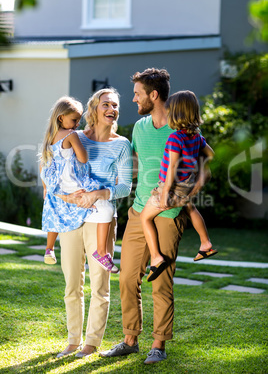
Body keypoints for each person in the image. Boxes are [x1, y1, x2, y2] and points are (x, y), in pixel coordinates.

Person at [100, 68, 206, 364]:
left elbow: (207, 155)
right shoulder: (140, 127)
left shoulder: (182, 129)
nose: (133, 99)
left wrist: (193, 190)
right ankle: (130, 339)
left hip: (169, 213)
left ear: (154, 95)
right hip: (140, 212)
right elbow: (132, 163)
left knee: (161, 283)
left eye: (137, 94)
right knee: (128, 278)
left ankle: (158, 344)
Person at [47, 88, 132, 359]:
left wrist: (99, 193)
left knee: (99, 284)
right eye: (106, 104)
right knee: (72, 283)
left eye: (115, 105)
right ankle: (73, 340)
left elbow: (126, 187)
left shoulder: (122, 144)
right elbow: (50, 173)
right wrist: (66, 196)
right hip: (70, 217)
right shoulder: (73, 136)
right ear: (94, 109)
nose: (112, 109)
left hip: (102, 218)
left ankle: (91, 343)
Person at [140, 90, 217, 282]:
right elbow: (211, 155)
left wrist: (164, 193)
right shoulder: (196, 136)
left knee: (145, 218)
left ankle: (156, 258)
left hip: (173, 187)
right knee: (190, 207)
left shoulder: (175, 138)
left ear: (176, 113)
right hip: (187, 184)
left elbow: (171, 168)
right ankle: (206, 244)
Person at [40, 96, 118, 273]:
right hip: (74, 182)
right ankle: (101, 252)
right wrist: (79, 146)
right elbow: (83, 158)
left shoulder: (49, 137)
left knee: (55, 212)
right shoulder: (71, 135)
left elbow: (43, 165)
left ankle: (49, 248)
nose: (76, 124)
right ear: (61, 118)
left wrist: (47, 187)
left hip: (57, 186)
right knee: (106, 208)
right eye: (74, 120)